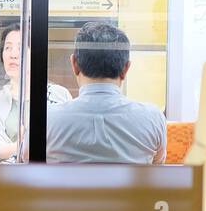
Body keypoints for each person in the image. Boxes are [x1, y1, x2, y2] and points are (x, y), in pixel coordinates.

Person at [46, 21, 166, 165]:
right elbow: (157, 167)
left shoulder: (47, 120)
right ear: (126, 69)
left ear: (74, 64)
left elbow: (26, 162)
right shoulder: (153, 118)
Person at [0, 23, 71, 162]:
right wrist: (26, 140)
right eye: (8, 48)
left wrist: (19, 144)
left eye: (21, 47)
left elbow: (68, 143)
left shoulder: (59, 94)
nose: (13, 55)